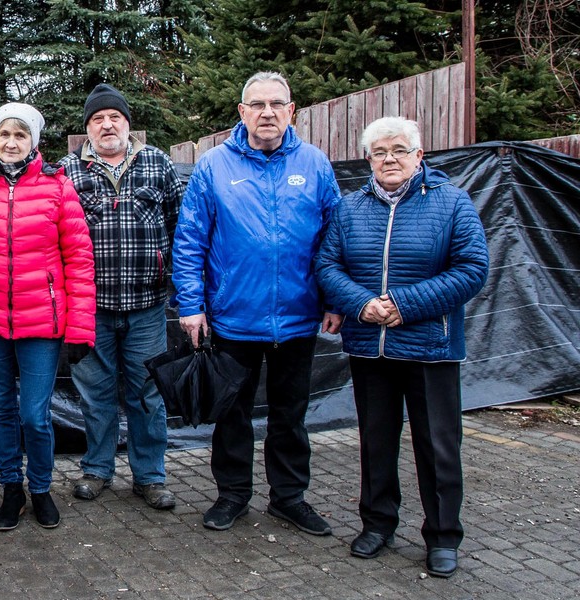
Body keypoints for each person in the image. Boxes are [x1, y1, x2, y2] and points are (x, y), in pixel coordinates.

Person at [316, 117, 488, 578]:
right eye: (379, 151)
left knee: (437, 446)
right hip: (370, 345)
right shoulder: (350, 208)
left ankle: (443, 535)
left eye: (398, 150)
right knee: (376, 442)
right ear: (368, 159)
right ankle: (377, 524)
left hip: (430, 347)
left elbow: (472, 268)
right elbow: (328, 265)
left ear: (419, 155)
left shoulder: (452, 203)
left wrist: (404, 305)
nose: (389, 159)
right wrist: (363, 304)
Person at [172, 72, 342, 535]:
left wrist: (333, 297)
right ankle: (232, 495)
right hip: (232, 317)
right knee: (232, 415)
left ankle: (289, 498)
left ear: (292, 110)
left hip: (298, 317)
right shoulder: (213, 166)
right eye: (257, 104)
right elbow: (189, 241)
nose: (267, 112)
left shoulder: (315, 163)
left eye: (276, 104)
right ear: (242, 112)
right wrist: (192, 305)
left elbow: (335, 237)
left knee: (291, 416)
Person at [0, 103, 96, 531]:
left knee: (34, 414)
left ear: (34, 141)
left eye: (20, 135)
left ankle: (41, 488)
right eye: (4, 133)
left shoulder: (57, 189)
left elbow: (79, 261)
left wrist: (81, 329)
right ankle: (12, 489)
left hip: (42, 324)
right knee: (3, 410)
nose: (11, 142)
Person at [60, 84, 183, 510]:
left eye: (115, 117)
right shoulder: (68, 171)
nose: (107, 124)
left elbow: (178, 227)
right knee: (95, 394)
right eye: (97, 119)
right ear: (87, 129)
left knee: (148, 393)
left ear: (128, 124)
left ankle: (150, 476)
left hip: (147, 305)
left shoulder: (158, 163)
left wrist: (178, 288)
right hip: (90, 307)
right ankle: (97, 470)